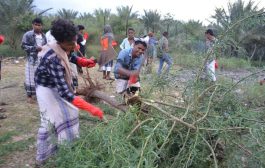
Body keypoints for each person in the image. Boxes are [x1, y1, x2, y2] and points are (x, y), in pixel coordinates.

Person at [34, 19, 103, 164]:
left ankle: (66, 146)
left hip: (56, 85)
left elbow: (69, 55)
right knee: (49, 121)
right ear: (61, 41)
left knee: (70, 112)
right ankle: (43, 157)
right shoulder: (52, 58)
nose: (74, 46)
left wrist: (82, 62)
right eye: (71, 43)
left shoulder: (62, 47)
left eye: (75, 42)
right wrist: (90, 108)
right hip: (46, 87)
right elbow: (65, 93)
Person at [21, 18, 47, 103]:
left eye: (39, 25)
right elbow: (23, 46)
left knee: (40, 77)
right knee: (30, 77)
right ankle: (29, 96)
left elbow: (46, 46)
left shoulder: (44, 36)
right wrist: (35, 48)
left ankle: (39, 94)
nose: (37, 26)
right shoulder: (28, 34)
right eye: (35, 24)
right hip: (32, 60)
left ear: (41, 26)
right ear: (32, 25)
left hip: (42, 60)